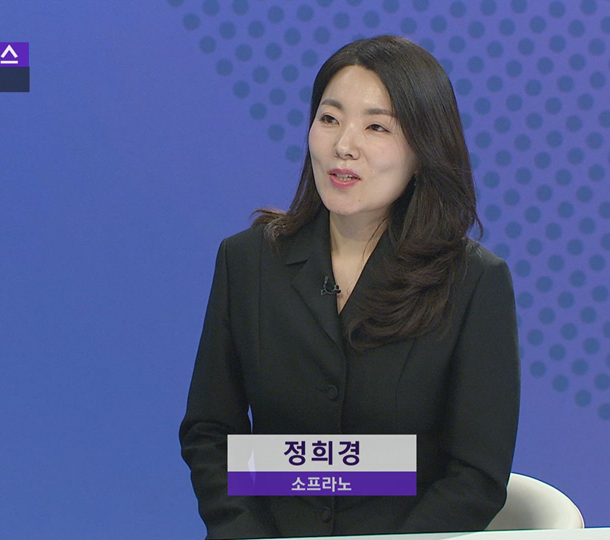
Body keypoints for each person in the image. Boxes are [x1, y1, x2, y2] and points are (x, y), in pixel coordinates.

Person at [180, 35, 521, 539]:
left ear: (424, 149)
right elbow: (210, 433)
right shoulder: (248, 262)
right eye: (329, 118)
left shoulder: (473, 282)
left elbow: (476, 477)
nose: (344, 145)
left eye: (377, 126)